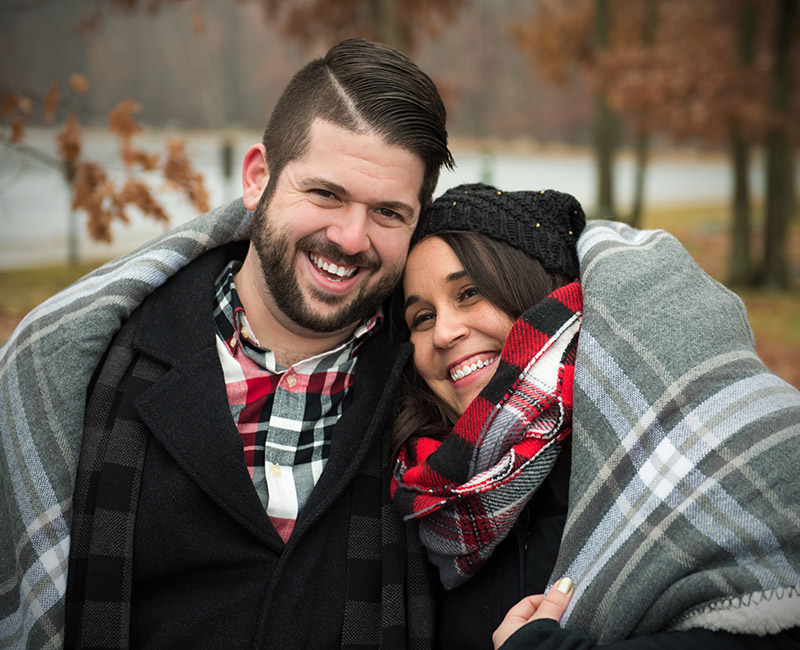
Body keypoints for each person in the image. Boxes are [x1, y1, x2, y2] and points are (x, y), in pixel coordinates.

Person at [0, 38, 454, 648]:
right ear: (258, 178)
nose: (351, 238)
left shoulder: (436, 381)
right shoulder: (94, 370)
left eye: (389, 214)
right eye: (325, 193)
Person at [390, 183, 800, 649]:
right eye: (422, 317)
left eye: (468, 293)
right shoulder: (428, 502)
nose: (443, 331)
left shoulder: (678, 443)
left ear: (533, 291)